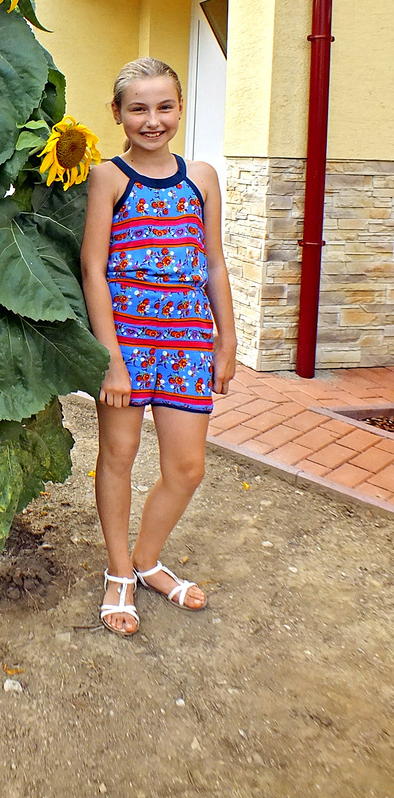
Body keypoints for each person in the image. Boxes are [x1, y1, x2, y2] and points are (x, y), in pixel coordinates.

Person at [80, 57, 237, 637]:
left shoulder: (202, 177)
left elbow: (214, 263)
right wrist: (111, 359)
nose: (152, 120)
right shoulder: (109, 178)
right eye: (138, 108)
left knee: (187, 468)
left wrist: (228, 340)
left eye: (164, 106)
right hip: (127, 346)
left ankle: (148, 559)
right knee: (118, 457)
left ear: (180, 107)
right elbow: (93, 269)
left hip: (190, 344)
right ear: (118, 114)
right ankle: (119, 571)